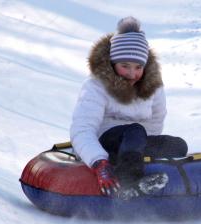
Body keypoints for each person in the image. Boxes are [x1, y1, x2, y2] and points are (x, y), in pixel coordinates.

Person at [70, 16, 188, 198]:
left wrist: (141, 152)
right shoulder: (96, 85)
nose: (132, 74)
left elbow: (156, 120)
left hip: (133, 143)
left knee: (178, 146)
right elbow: (82, 128)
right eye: (125, 66)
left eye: (138, 67)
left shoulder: (152, 86)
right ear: (113, 63)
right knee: (135, 130)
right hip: (103, 142)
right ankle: (128, 182)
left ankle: (132, 169)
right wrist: (99, 162)